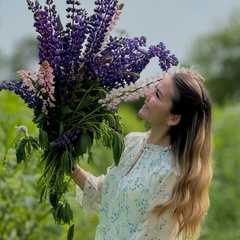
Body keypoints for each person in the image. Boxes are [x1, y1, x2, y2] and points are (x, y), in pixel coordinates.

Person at [70, 68, 213, 240]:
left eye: (158, 95)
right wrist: (68, 163)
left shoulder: (171, 172)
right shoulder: (133, 142)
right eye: (155, 87)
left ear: (173, 118)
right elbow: (106, 192)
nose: (147, 93)